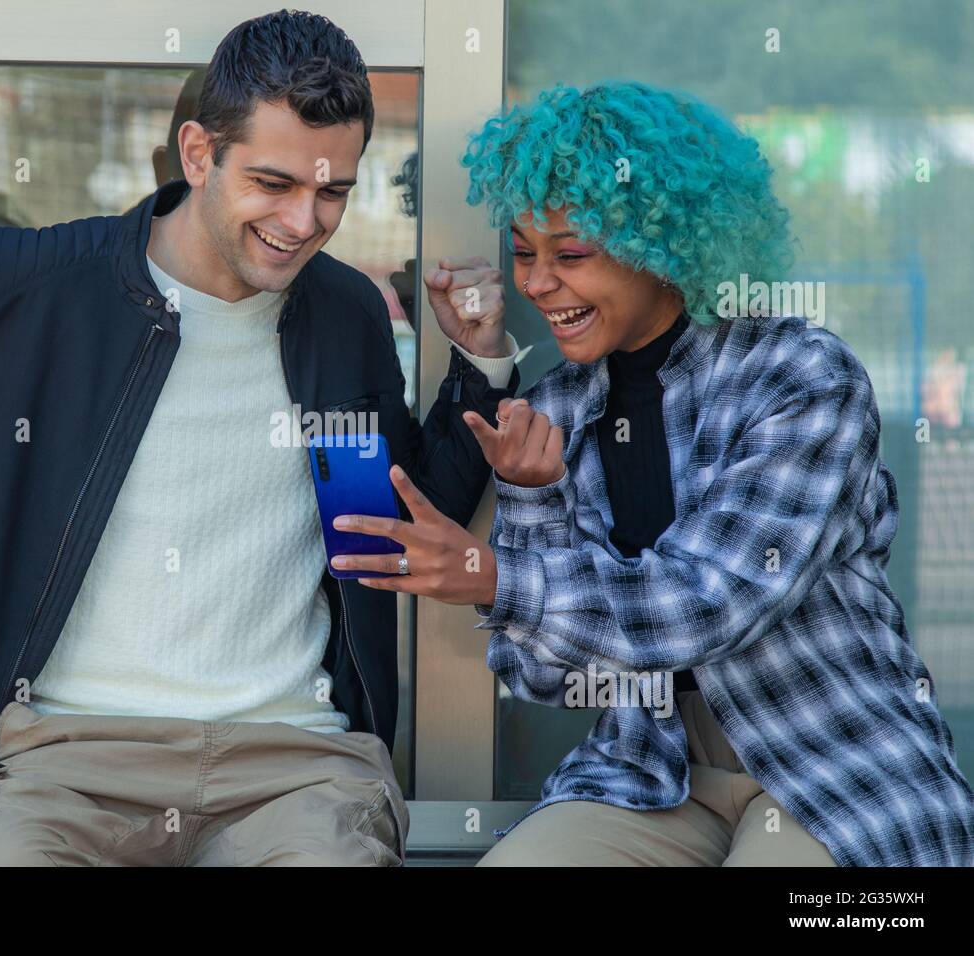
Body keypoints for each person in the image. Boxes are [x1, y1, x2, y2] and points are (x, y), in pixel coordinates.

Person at [0, 10, 521, 866]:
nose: (305, 222)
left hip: (294, 768)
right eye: (273, 183)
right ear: (198, 154)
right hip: (64, 763)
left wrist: (479, 364)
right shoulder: (25, 286)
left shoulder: (340, 313)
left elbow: (390, 532)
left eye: (332, 191)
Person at [330, 80, 974, 866]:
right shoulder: (555, 408)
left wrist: (496, 576)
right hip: (653, 776)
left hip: (833, 766)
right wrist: (528, 499)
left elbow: (709, 604)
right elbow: (540, 676)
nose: (536, 283)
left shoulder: (800, 378)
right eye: (525, 253)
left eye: (570, 254)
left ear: (663, 246)